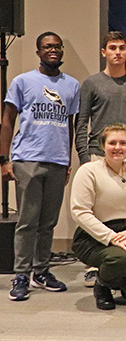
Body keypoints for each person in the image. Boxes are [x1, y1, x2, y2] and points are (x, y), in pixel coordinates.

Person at [1, 32, 79, 301]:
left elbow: (69, 125)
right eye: (47, 47)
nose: (53, 50)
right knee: (27, 222)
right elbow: (8, 120)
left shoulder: (72, 85)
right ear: (38, 52)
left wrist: (68, 161)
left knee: (48, 223)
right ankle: (21, 274)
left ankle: (41, 271)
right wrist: (4, 159)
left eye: (57, 46)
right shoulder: (23, 81)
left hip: (57, 162)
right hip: (27, 160)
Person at [75, 31, 126, 286]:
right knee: (98, 211)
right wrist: (85, 157)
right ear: (104, 52)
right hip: (98, 155)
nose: (117, 52)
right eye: (112, 47)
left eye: (121, 48)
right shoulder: (92, 83)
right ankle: (95, 265)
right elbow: (82, 121)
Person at [70, 123, 126, 310]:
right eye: (112, 143)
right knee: (121, 259)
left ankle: (120, 277)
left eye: (123, 143)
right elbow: (80, 211)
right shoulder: (88, 171)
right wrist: (111, 237)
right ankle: (102, 285)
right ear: (103, 146)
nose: (117, 147)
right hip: (95, 236)